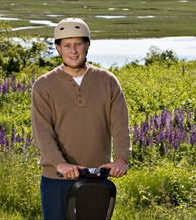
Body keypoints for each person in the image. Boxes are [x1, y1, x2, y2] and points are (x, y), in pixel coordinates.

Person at [31, 17, 131, 219]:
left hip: (97, 176)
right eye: (66, 45)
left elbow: (120, 125)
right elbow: (42, 132)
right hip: (56, 177)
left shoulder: (107, 81)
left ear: (87, 45)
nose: (73, 50)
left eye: (78, 44)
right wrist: (60, 163)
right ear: (58, 48)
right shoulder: (44, 85)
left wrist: (121, 159)